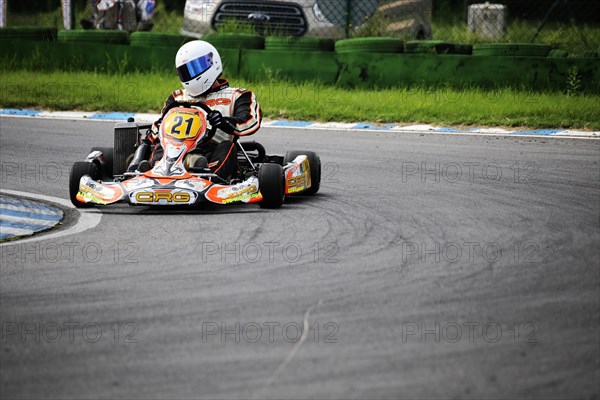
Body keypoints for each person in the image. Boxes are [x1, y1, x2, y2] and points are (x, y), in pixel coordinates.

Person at [129, 40, 262, 179]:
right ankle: (151, 171)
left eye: (196, 67)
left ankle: (208, 176)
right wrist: (149, 138)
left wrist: (224, 122)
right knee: (160, 147)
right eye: (186, 71)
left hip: (212, 150)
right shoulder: (177, 97)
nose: (192, 74)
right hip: (173, 149)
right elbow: (162, 124)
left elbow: (250, 122)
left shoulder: (238, 95)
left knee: (227, 147)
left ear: (212, 62)